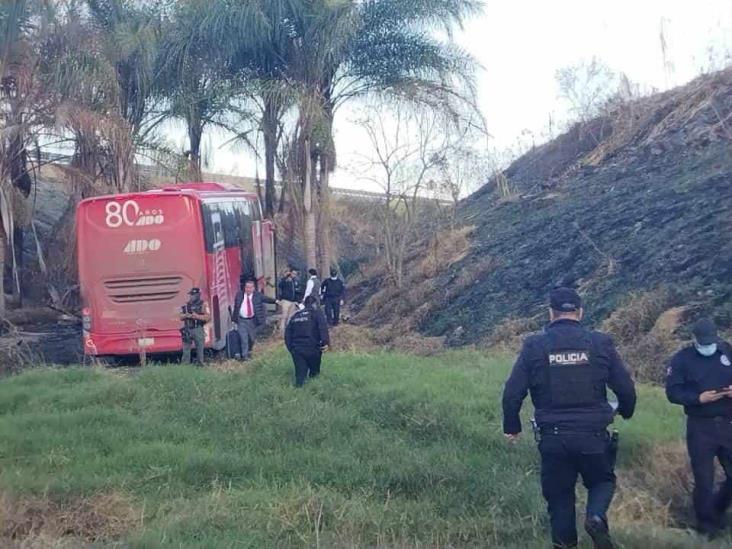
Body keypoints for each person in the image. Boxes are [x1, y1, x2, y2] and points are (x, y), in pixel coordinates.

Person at [502, 287, 636, 549]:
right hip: (593, 436)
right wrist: (626, 410)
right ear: (580, 312)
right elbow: (626, 388)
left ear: (550, 313)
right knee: (602, 481)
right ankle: (596, 516)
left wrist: (512, 426)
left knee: (560, 497)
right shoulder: (600, 343)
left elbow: (512, 392)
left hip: (553, 438)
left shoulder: (535, 346)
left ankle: (565, 545)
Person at [665, 318, 732, 538]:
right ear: (694, 339)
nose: (708, 346)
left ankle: (718, 509)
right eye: (703, 342)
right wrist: (698, 398)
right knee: (704, 478)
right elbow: (673, 392)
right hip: (700, 426)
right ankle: (706, 526)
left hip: (727, 421)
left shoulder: (727, 351)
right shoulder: (682, 359)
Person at [285, 295, 330, 387]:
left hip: (297, 348)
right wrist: (325, 342)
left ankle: (299, 391)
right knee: (314, 373)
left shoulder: (295, 315)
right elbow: (322, 328)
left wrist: (291, 348)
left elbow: (287, 333)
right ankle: (314, 391)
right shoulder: (317, 313)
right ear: (315, 304)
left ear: (305, 304)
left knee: (300, 375)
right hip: (313, 347)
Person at [233, 278, 278, 360]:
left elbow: (267, 299)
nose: (248, 289)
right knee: (243, 338)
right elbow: (236, 307)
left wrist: (276, 301)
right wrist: (234, 319)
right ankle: (244, 356)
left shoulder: (258, 295)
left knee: (251, 338)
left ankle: (249, 352)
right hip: (241, 320)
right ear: (244, 288)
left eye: (250, 287)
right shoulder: (239, 295)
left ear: (253, 288)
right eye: (247, 287)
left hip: (252, 320)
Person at [179, 287, 210, 366]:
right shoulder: (186, 305)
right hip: (187, 329)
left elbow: (208, 317)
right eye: (191, 295)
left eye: (193, 295)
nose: (191, 296)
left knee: (200, 348)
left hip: (198, 328)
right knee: (186, 349)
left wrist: (196, 316)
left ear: (198, 295)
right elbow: (180, 316)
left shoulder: (203, 304)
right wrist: (186, 315)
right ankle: (185, 365)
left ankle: (200, 364)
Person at [277, 268, 299, 333]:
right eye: (293, 273)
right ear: (290, 273)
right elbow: (280, 285)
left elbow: (297, 291)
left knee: (291, 316)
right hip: (286, 300)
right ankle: (282, 330)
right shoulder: (285, 280)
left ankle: (289, 330)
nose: (294, 275)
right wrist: (285, 278)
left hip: (293, 301)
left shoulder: (295, 281)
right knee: (284, 316)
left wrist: (297, 300)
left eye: (295, 274)